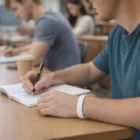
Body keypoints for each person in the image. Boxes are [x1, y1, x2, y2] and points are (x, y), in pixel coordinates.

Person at [22, 0, 140, 139]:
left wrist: (79, 105)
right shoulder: (117, 33)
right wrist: (51, 77)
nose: (89, 2)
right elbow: (90, 70)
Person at [4, 0, 81, 71]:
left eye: (15, 9)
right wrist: (16, 51)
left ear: (27, 2)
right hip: (56, 75)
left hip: (65, 82)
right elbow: (36, 46)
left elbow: (32, 60)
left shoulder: (47, 21)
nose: (16, 15)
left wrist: (22, 54)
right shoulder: (51, 16)